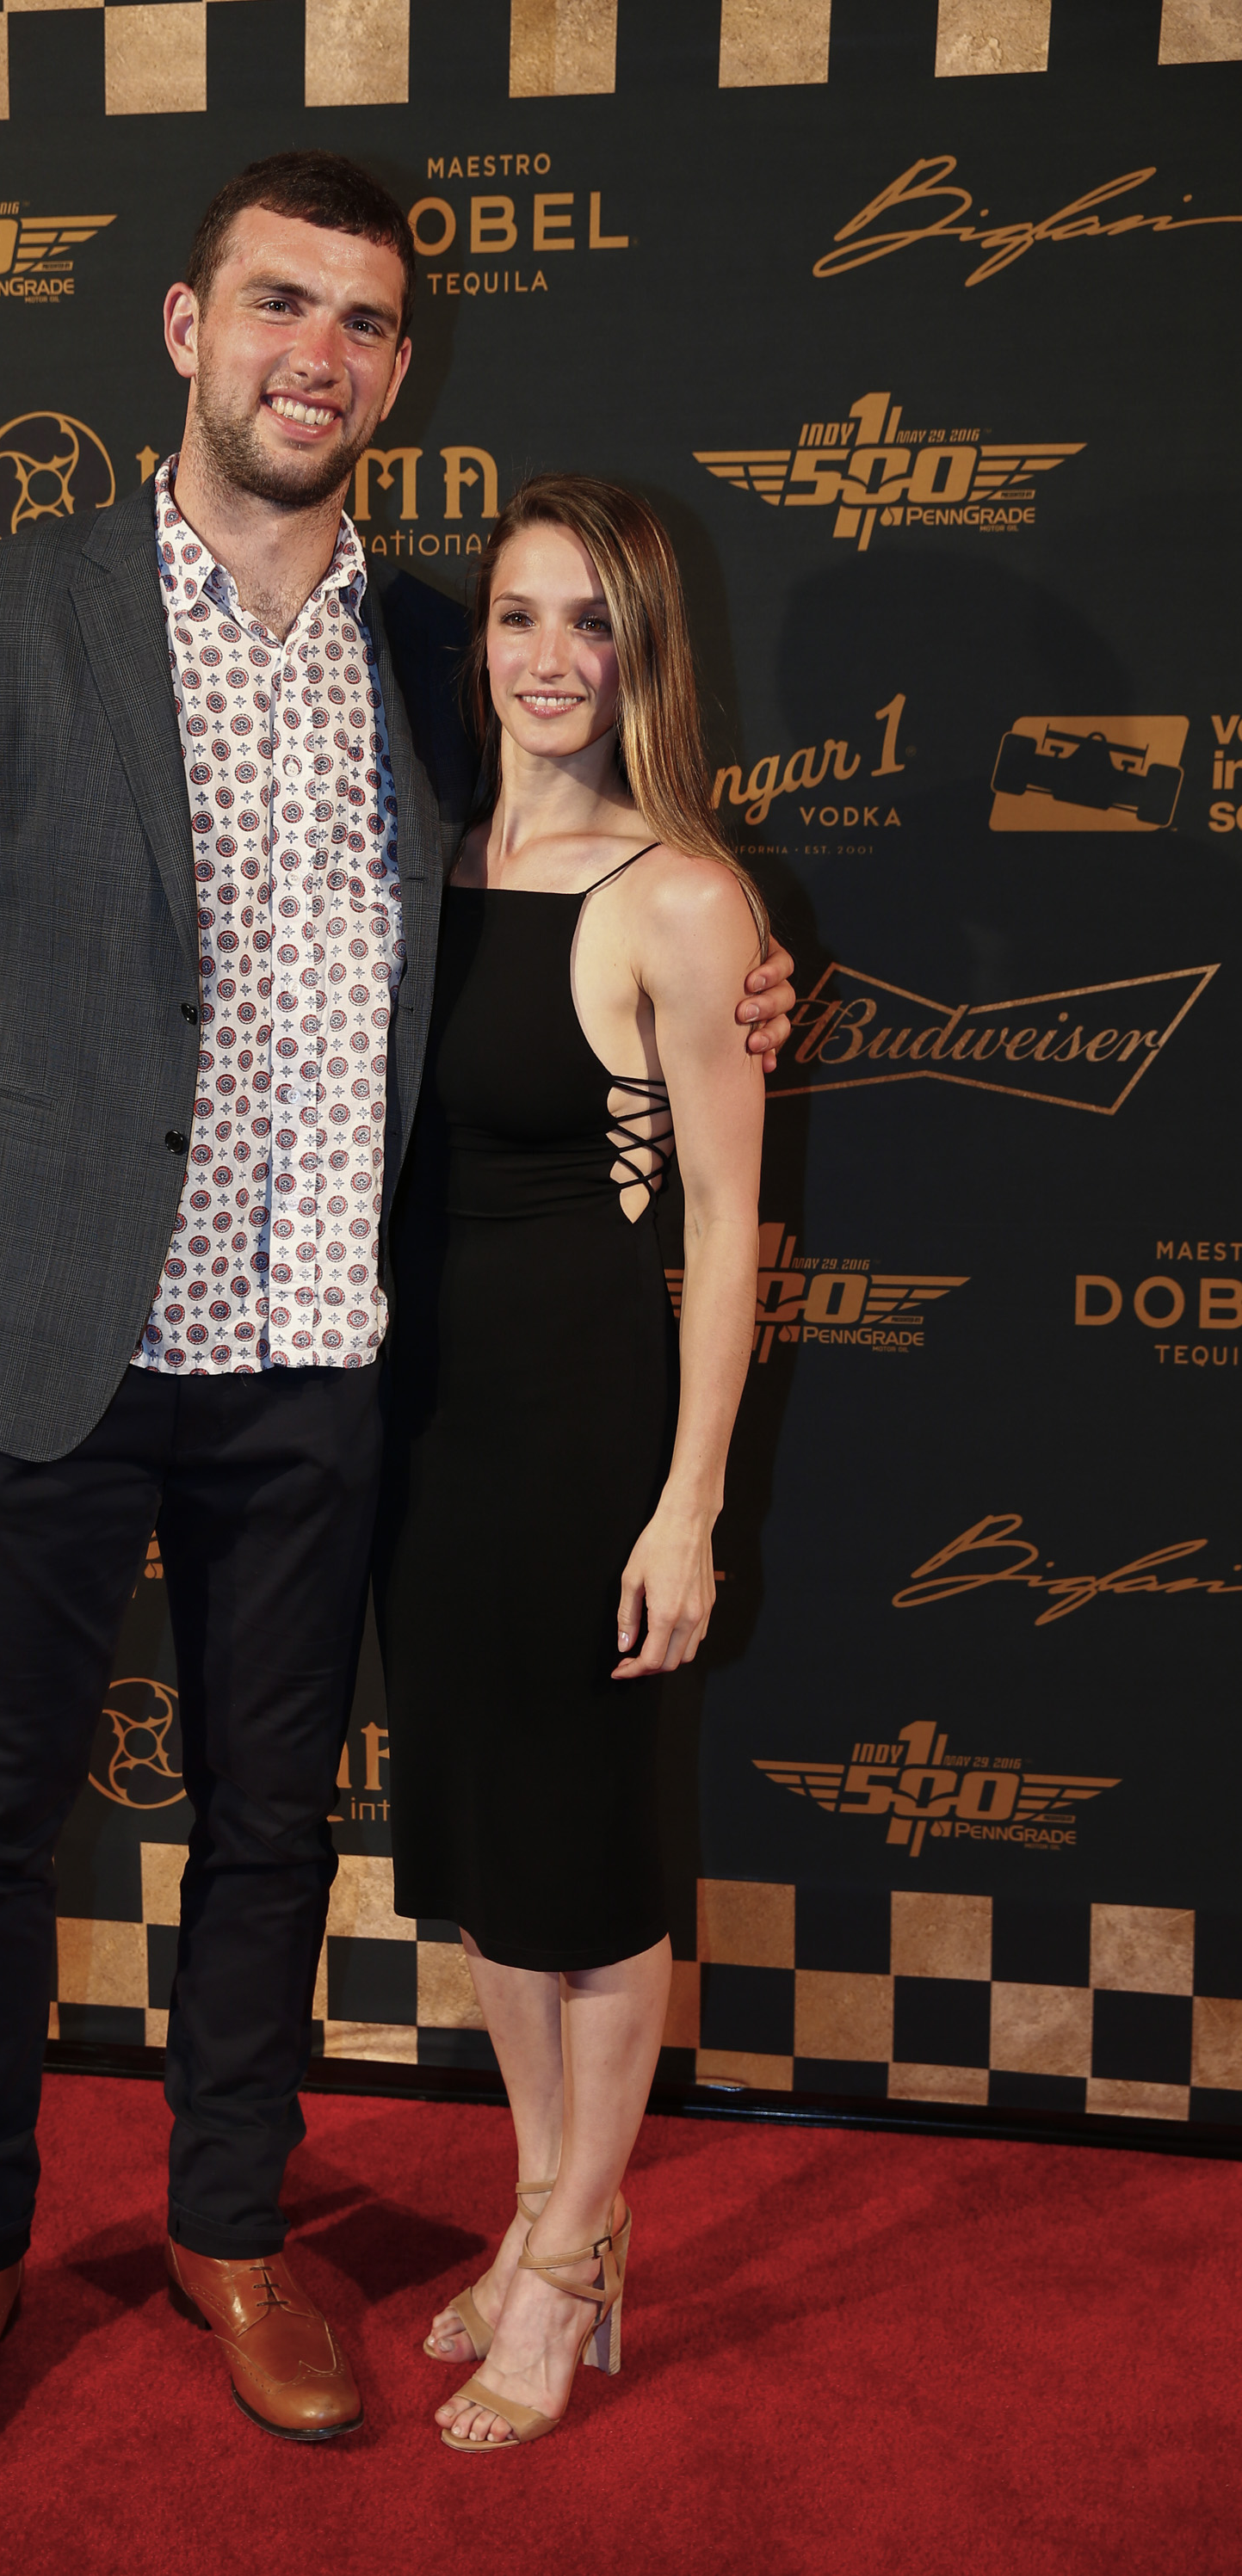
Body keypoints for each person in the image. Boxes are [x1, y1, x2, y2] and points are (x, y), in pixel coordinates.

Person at [0, 154, 798, 2479]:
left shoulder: (435, 652)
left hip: (325, 1373)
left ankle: (231, 2232)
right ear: (185, 326)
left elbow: (587, 877)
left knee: (274, 1832)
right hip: (48, 1341)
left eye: (362, 322)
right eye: (279, 305)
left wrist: (764, 980)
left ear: (396, 368)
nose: (316, 354)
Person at [374, 475, 768, 2451]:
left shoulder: (681, 898)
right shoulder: (425, 863)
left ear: (640, 655)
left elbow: (719, 1224)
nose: (546, 659)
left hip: (586, 1443)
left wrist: (684, 1504)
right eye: (518, 618)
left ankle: (572, 2253)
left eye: (588, 624)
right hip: (425, 1448)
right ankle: (545, 2207)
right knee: (490, 1872)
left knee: (593, 1874)